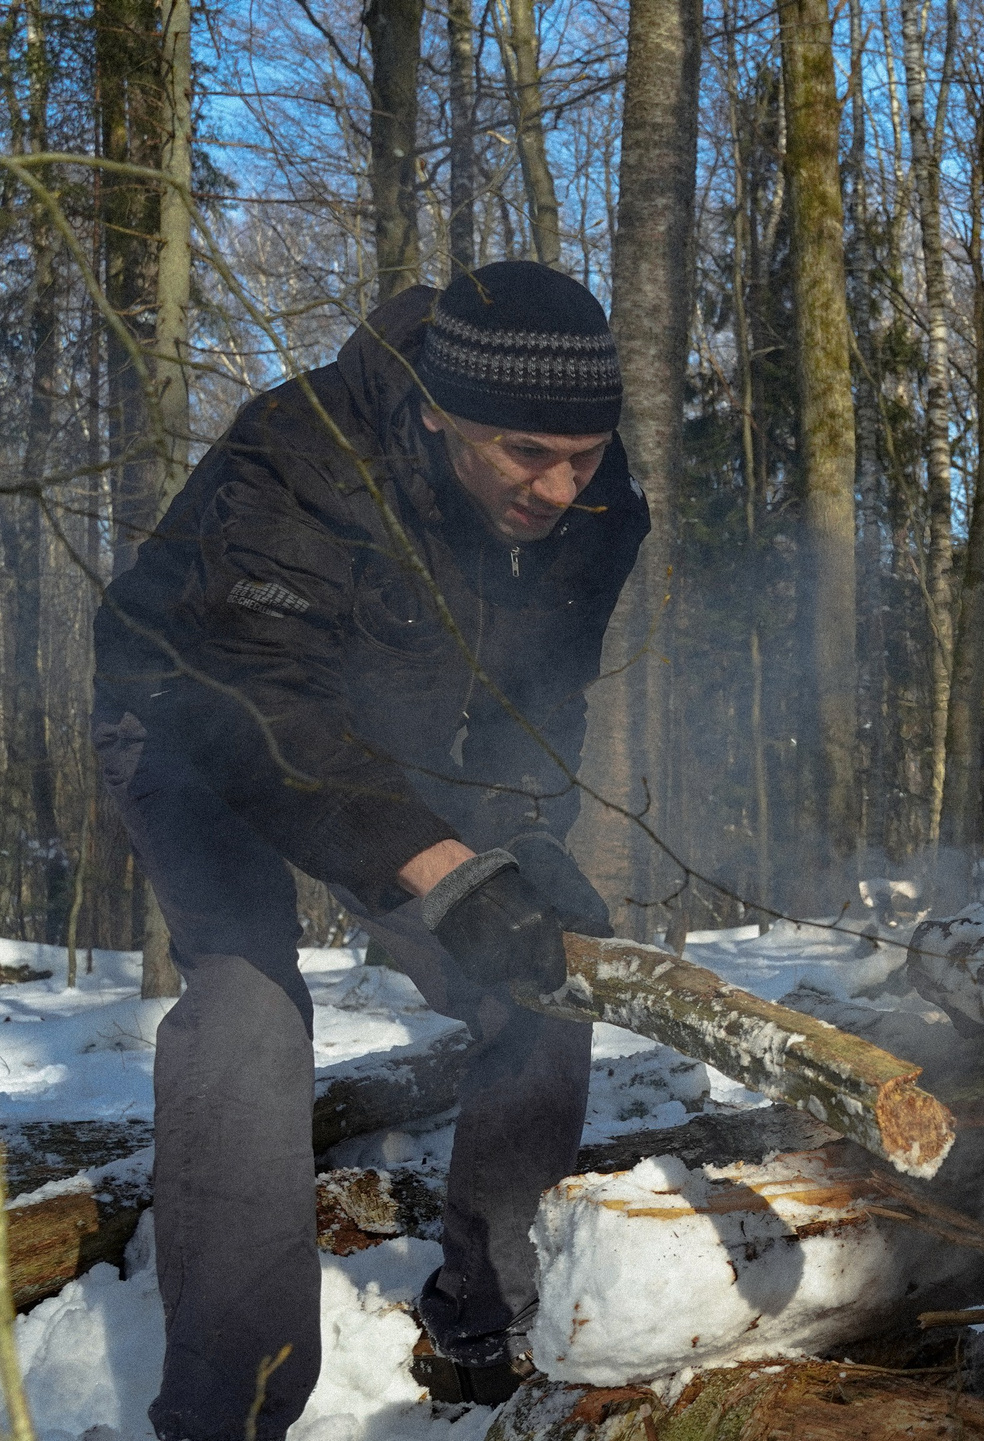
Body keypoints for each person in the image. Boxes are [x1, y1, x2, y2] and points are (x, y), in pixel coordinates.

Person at [93, 261, 647, 1430]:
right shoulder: (296, 458)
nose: (559, 488)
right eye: (526, 457)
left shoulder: (594, 494)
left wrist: (524, 834)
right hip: (195, 720)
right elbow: (264, 714)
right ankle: (230, 1401)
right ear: (440, 411)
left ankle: (488, 1320)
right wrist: (440, 867)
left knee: (543, 972)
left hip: (388, 742)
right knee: (247, 1011)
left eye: (584, 457)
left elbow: (536, 696)